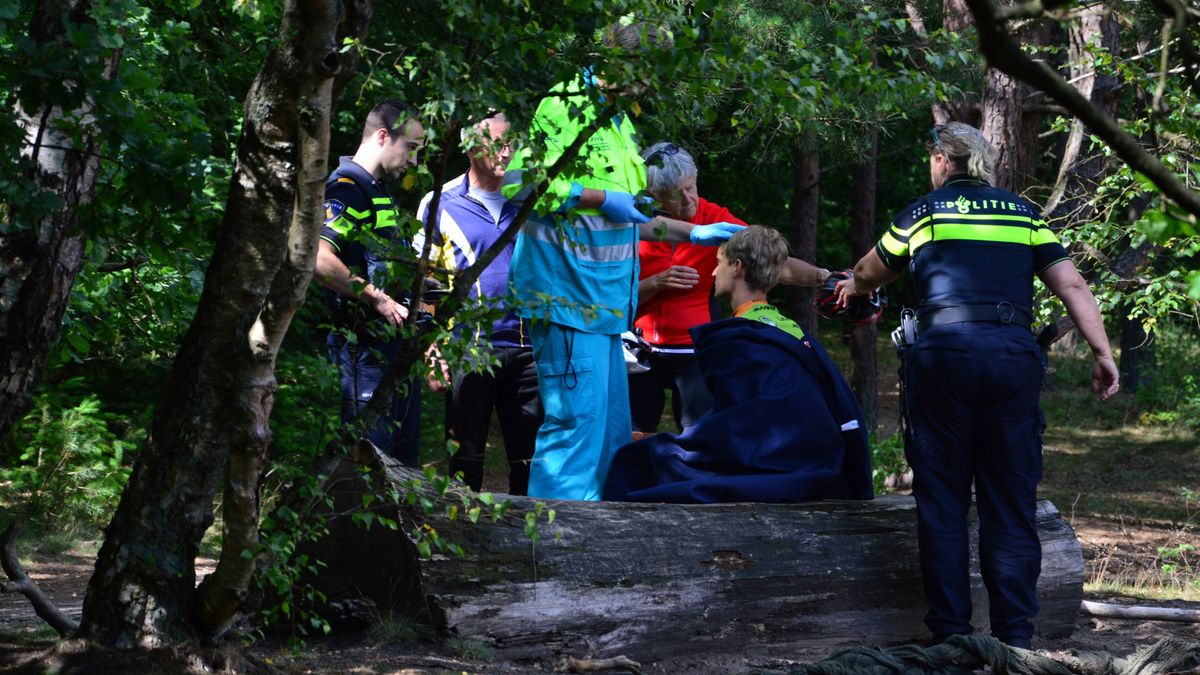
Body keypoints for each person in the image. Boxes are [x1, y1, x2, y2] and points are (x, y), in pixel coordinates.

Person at [834, 122, 1120, 648]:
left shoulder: (924, 213)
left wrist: (855, 282)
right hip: (1012, 358)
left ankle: (952, 638)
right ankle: (1014, 640)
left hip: (944, 359)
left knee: (942, 499)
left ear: (943, 159)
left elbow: (871, 272)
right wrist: (1102, 352)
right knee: (1009, 501)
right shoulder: (1025, 213)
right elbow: (1071, 283)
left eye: (931, 157)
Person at [501, 21, 743, 501]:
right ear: (617, 62)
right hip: (567, 299)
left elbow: (632, 219)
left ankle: (595, 548)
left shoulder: (619, 122)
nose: (648, 86)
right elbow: (520, 185)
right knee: (576, 430)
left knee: (610, 434)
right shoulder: (565, 104)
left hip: (607, 309)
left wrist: (694, 231)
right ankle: (553, 553)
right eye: (644, 74)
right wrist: (597, 198)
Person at [604, 225, 873, 503]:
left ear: (736, 267)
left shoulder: (736, 338)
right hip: (817, 458)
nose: (712, 272)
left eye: (718, 263)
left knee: (633, 460)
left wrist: (656, 441)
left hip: (775, 463)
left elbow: (734, 433)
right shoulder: (792, 330)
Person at [632, 142, 833, 433]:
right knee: (632, 434)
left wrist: (822, 277)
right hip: (639, 350)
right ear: (654, 196)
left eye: (691, 187)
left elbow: (768, 258)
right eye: (675, 195)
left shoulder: (715, 220)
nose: (689, 200)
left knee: (700, 434)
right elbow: (611, 297)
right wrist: (654, 284)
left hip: (694, 351)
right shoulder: (634, 224)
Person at [415, 112, 541, 495]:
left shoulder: (535, 196)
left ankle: (530, 549)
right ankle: (463, 545)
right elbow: (425, 284)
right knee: (464, 464)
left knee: (530, 462)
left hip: (530, 350)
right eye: (497, 144)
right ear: (471, 147)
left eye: (512, 144)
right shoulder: (440, 202)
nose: (507, 153)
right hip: (468, 351)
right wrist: (430, 348)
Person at [313, 99, 427, 465]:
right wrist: (377, 299)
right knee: (370, 465)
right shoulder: (347, 189)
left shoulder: (378, 191)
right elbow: (319, 258)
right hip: (363, 353)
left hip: (393, 352)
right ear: (382, 135)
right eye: (411, 148)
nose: (414, 161)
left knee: (402, 466)